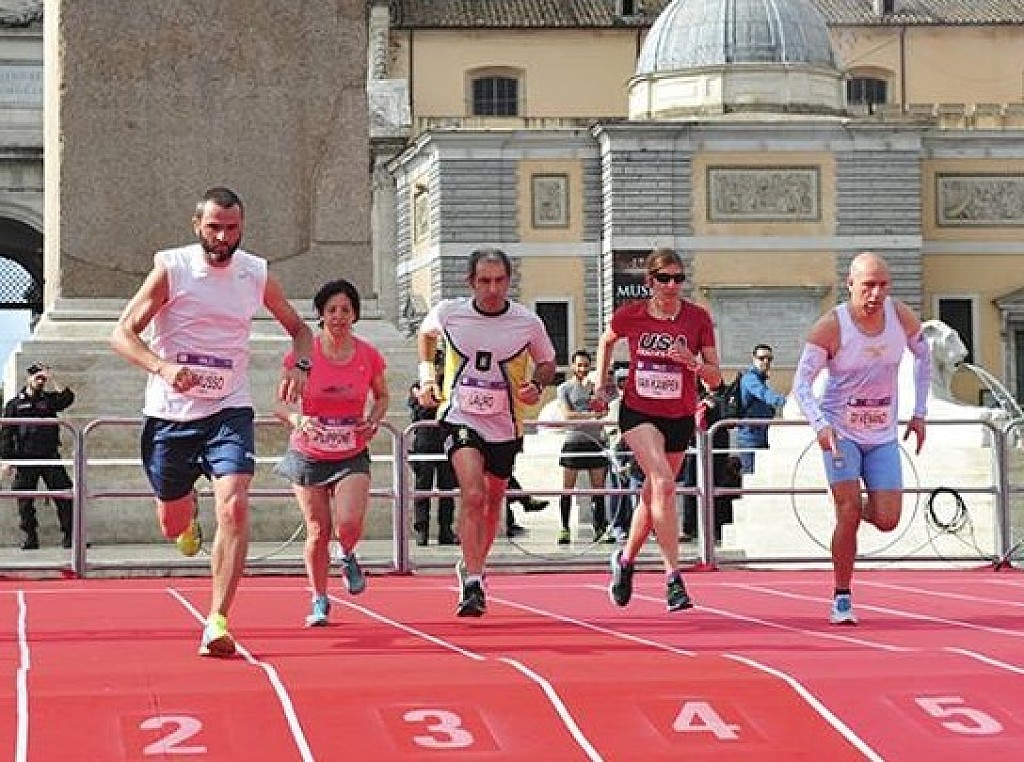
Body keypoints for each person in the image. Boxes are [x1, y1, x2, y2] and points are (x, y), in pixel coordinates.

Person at [110, 186, 313, 656]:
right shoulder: (172, 268)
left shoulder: (255, 272)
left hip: (229, 407)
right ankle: (186, 520)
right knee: (171, 522)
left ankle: (217, 620)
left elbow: (300, 329)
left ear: (243, 227)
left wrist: (300, 366)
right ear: (197, 226)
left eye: (232, 228)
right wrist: (162, 367)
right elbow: (121, 334)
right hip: (171, 413)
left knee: (235, 506)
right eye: (214, 228)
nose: (223, 237)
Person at [417, 248, 556, 616]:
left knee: (494, 500)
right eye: (484, 281)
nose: (492, 289)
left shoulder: (527, 322)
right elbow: (425, 336)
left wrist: (536, 386)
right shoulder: (449, 312)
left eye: (499, 281)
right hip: (460, 416)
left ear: (509, 281)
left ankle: (473, 564)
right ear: (471, 282)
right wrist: (427, 378)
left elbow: (547, 361)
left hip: (505, 423)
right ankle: (474, 583)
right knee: (473, 493)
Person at [793, 252, 929, 625]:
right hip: (841, 432)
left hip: (882, 434)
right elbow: (801, 383)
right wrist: (820, 425)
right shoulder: (830, 327)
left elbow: (924, 356)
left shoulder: (900, 317)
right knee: (849, 511)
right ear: (850, 285)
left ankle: (852, 504)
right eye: (868, 285)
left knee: (887, 519)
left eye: (883, 285)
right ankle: (842, 596)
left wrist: (919, 413)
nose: (876, 294)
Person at [594, 248, 722, 612]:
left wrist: (692, 362)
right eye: (664, 278)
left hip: (678, 415)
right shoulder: (631, 315)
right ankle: (673, 579)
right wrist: (602, 386)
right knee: (664, 483)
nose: (671, 285)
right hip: (638, 412)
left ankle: (625, 561)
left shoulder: (697, 318)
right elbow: (606, 341)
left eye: (678, 279)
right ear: (650, 281)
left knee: (654, 496)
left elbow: (715, 378)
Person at [275, 279, 389, 627]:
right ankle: (319, 598)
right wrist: (298, 419)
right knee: (317, 529)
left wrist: (372, 420)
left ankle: (348, 552)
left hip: (351, 450)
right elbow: (280, 404)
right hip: (309, 452)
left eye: (345, 310)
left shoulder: (368, 355)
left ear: (355, 314)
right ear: (321, 315)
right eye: (332, 310)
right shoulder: (303, 356)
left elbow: (383, 396)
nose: (339, 316)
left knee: (349, 523)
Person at [0, 363, 75, 550]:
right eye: (37, 377)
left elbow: (68, 398)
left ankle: (70, 537)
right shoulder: (14, 404)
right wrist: (7, 460)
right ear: (29, 378)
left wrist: (53, 378)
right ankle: (30, 537)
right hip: (25, 458)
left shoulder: (49, 400)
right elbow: (6, 434)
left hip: (50, 456)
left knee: (64, 496)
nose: (40, 381)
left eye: (43, 378)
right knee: (25, 500)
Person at [556, 349, 609, 545]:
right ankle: (564, 528)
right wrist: (591, 416)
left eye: (586, 365)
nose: (582, 369)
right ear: (573, 366)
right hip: (573, 442)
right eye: (579, 365)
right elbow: (567, 414)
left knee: (599, 489)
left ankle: (600, 528)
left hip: (595, 441)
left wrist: (598, 406)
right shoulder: (564, 388)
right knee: (567, 488)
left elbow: (604, 410)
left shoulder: (596, 387)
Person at [408, 379, 458, 547]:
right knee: (423, 487)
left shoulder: (450, 384)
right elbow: (421, 407)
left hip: (446, 439)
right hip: (425, 439)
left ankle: (446, 529)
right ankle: (421, 530)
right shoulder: (418, 386)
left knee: (447, 488)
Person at [735, 344, 787, 474]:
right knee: (750, 475)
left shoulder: (760, 379)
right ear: (754, 359)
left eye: (769, 359)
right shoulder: (750, 378)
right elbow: (764, 394)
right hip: (750, 437)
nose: (766, 362)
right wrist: (789, 402)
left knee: (761, 474)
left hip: (760, 434)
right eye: (762, 358)